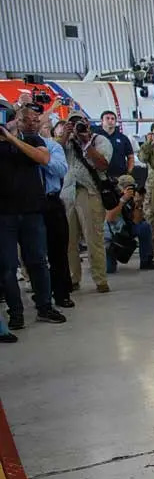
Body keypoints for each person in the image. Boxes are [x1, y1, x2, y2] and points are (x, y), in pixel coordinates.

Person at [1, 104, 62, 328]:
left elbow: (42, 158)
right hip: (4, 215)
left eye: (35, 120)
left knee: (38, 262)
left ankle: (44, 307)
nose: (32, 123)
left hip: (31, 212)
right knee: (7, 267)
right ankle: (15, 312)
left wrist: (11, 138)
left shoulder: (33, 140)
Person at [62, 113, 112, 292]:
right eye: (72, 123)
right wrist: (64, 135)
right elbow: (53, 155)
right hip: (67, 193)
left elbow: (103, 164)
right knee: (69, 241)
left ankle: (100, 279)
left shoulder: (100, 141)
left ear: (87, 124)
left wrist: (85, 142)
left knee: (94, 238)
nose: (76, 126)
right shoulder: (65, 141)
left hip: (89, 192)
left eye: (80, 123)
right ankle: (73, 278)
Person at [42, 119, 73, 309]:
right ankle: (42, 297)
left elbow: (60, 169)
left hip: (52, 200)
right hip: (26, 202)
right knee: (34, 256)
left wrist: (42, 157)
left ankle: (61, 293)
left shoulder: (53, 147)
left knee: (59, 251)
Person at [99, 110, 134, 179]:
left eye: (112, 119)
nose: (110, 121)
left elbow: (130, 157)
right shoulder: (95, 136)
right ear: (102, 121)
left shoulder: (123, 138)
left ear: (115, 122)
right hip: (100, 176)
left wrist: (128, 173)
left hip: (120, 176)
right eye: (107, 118)